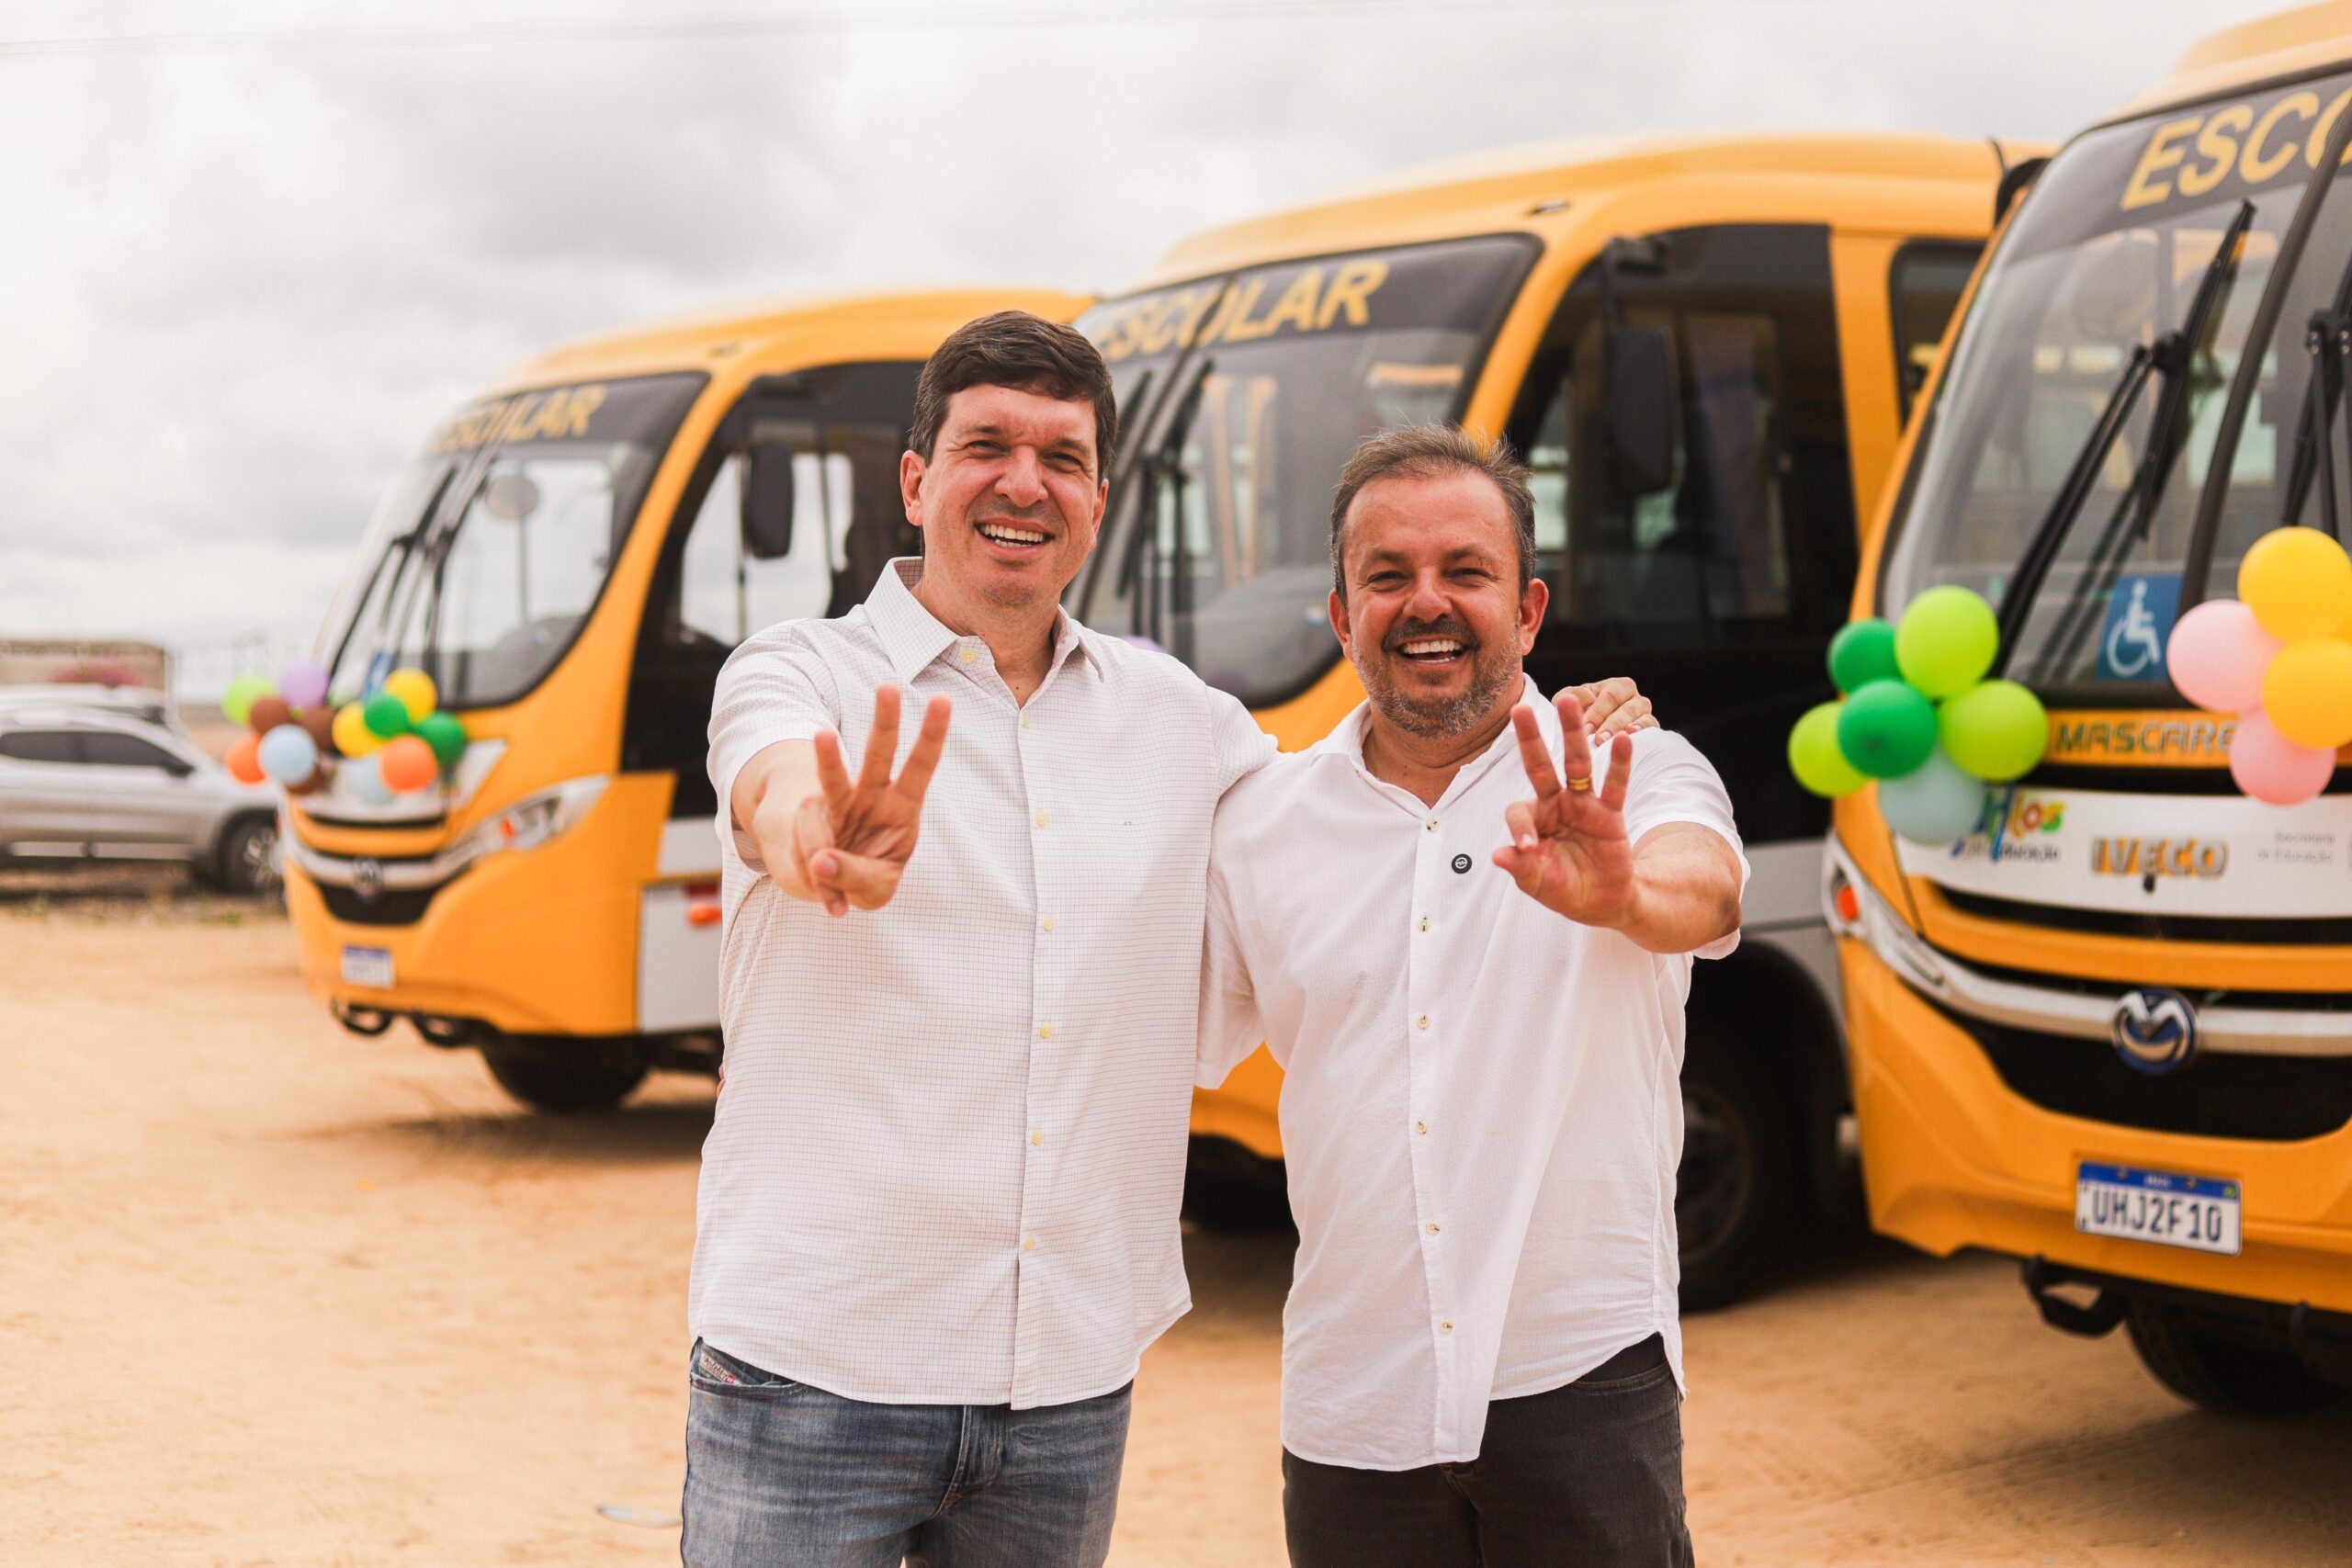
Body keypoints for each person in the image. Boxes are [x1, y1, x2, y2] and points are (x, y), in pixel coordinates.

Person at [688, 310, 1655, 1567]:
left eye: (1063, 457)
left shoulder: (1184, 722)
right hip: (813, 1373)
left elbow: (1370, 806)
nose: (1024, 482)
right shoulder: (797, 674)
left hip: (1065, 1389)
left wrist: (1552, 713)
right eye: (987, 446)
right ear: (917, 482)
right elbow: (772, 783)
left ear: (1097, 503)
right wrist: (816, 834)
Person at [1197, 426, 1746, 1568]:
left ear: (1528, 610)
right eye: (1386, 576)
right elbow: (1143, 1027)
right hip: (1353, 1403)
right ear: (1341, 616)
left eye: (1465, 571)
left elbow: (1705, 885)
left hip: (1582, 1378)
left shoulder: (1630, 769)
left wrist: (1625, 894)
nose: (1426, 603)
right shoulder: (1259, 826)